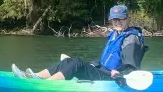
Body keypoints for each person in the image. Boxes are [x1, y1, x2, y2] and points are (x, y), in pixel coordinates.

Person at [11, 5, 147, 82]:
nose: (117, 22)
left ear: (128, 19)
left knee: (76, 63)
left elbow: (131, 67)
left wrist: (120, 73)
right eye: (114, 19)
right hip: (103, 70)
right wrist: (93, 63)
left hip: (112, 78)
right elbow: (108, 58)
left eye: (121, 19)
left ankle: (44, 86)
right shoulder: (114, 34)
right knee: (68, 61)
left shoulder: (131, 39)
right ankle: (36, 77)